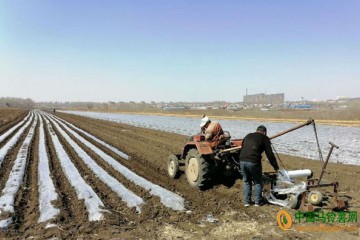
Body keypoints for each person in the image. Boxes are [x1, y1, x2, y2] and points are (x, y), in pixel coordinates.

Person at [239, 125, 279, 207]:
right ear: (264, 132)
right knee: (257, 181)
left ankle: (247, 202)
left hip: (242, 160)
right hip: (253, 161)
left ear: (256, 130)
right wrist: (275, 166)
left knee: (247, 181)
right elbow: (270, 154)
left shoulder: (248, 135)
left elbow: (242, 147)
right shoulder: (264, 138)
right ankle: (257, 202)